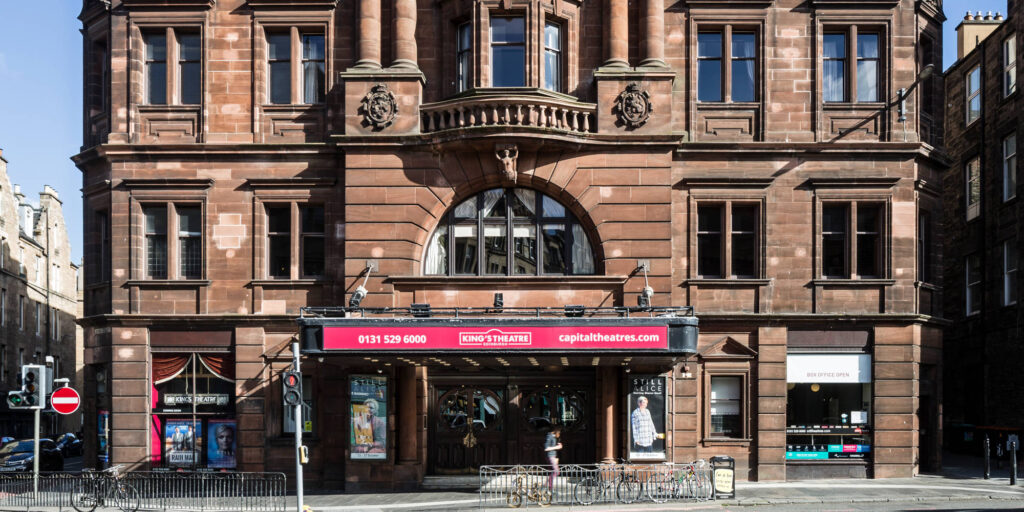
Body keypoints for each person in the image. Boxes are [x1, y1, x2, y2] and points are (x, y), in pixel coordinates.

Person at [544, 426, 563, 491]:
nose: (559, 434)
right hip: (550, 456)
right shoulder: (549, 436)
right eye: (559, 432)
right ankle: (550, 488)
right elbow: (546, 448)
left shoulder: (554, 437)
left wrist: (556, 457)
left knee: (552, 472)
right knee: (556, 471)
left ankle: (546, 487)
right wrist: (557, 447)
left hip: (553, 456)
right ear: (556, 431)